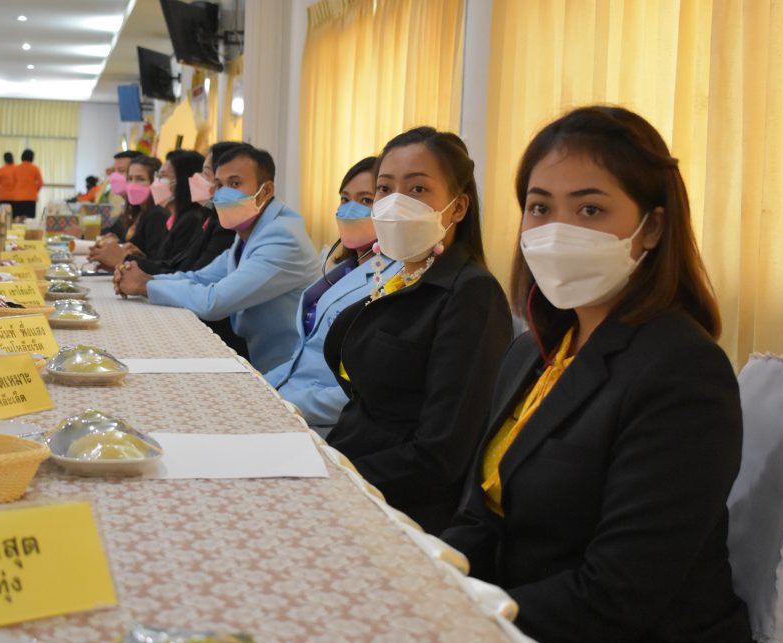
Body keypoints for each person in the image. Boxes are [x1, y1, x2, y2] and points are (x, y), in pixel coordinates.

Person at [441, 106, 751, 643]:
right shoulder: (535, 350)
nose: (558, 231)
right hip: (517, 620)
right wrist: (427, 578)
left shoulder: (682, 372)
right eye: (540, 207)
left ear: (651, 227)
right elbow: (483, 516)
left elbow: (619, 594)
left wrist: (459, 622)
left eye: (590, 209)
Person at [322, 128, 512, 535]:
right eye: (385, 189)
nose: (396, 203)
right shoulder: (396, 275)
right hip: (345, 467)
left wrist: (335, 479)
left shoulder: (471, 294)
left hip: (399, 507)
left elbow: (441, 454)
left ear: (458, 208)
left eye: (418, 189)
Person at [116, 143, 321, 373]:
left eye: (235, 184)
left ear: (265, 191)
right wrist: (146, 279)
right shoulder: (249, 232)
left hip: (287, 370)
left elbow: (214, 302)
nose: (221, 193)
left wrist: (145, 286)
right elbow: (200, 277)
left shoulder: (282, 237)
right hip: (260, 359)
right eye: (219, 185)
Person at [264, 157, 400, 434]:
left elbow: (361, 390)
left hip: (324, 423)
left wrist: (283, 403)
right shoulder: (343, 265)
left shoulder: (396, 278)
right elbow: (304, 354)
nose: (349, 209)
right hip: (287, 396)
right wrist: (260, 386)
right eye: (345, 199)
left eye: (365, 200)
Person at [114, 141, 245, 356]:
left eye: (206, 173)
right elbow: (193, 274)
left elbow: (208, 295)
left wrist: (143, 281)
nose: (210, 186)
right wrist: (141, 275)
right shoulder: (211, 220)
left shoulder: (217, 225)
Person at [89, 155, 169, 270]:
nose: (133, 184)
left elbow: (156, 262)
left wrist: (123, 255)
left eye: (140, 179)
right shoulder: (135, 211)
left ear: (154, 182)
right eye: (130, 179)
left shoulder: (157, 215)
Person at [101, 151, 161, 237]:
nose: (114, 176)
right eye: (130, 178)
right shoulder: (133, 209)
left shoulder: (156, 214)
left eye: (121, 171)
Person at [11, 149, 43, 222]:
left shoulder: (16, 168)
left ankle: (19, 228)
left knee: (19, 218)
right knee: (29, 219)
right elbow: (40, 182)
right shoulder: (35, 168)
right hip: (30, 197)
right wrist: (35, 190)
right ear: (32, 158)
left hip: (18, 197)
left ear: (22, 157)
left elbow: (13, 183)